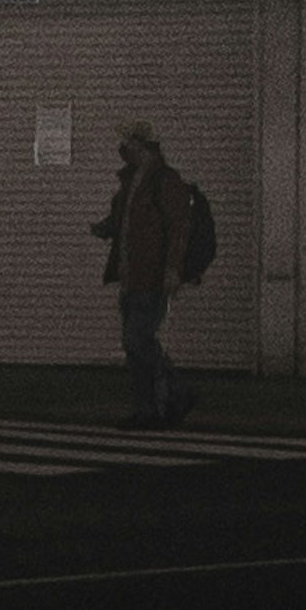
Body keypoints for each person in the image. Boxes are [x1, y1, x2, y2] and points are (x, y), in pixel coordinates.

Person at [95, 118, 196, 424]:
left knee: (136, 340)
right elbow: (125, 221)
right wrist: (105, 228)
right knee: (134, 345)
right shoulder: (131, 180)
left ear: (139, 145)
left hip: (150, 275)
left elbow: (178, 226)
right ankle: (146, 409)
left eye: (127, 143)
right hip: (130, 274)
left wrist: (173, 269)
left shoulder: (163, 180)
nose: (122, 149)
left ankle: (176, 391)